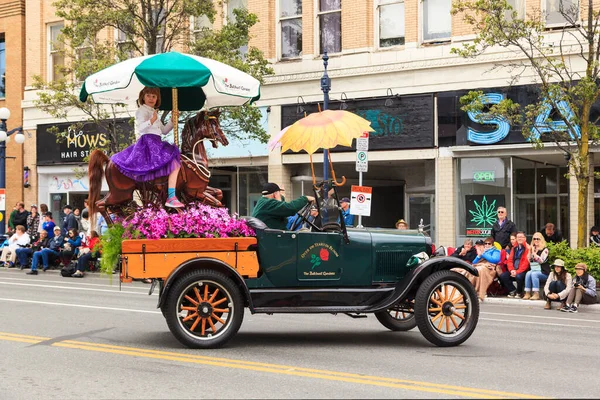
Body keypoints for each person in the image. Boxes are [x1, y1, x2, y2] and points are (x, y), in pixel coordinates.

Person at [110, 86, 184, 208]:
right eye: (148, 95)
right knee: (173, 161)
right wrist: (152, 120)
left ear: (157, 99)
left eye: (154, 96)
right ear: (143, 97)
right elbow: (140, 128)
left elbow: (164, 131)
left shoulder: (154, 112)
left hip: (157, 142)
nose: (151, 98)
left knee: (175, 162)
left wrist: (172, 120)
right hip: (148, 143)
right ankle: (171, 196)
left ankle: (170, 195)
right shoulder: (141, 111)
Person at [457, 238, 501, 302]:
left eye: (489, 243)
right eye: (485, 243)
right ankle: (468, 289)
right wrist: (478, 256)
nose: (487, 245)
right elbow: (474, 262)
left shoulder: (495, 251)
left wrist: (483, 254)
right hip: (480, 265)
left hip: (489, 267)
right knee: (471, 270)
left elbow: (494, 260)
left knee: (480, 270)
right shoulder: (482, 251)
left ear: (492, 244)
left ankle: (480, 292)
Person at [499, 231, 530, 298]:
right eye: (518, 237)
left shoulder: (527, 248)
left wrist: (517, 272)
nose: (519, 239)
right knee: (503, 276)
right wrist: (512, 270)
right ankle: (512, 290)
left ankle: (519, 292)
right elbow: (509, 261)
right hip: (514, 270)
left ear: (525, 238)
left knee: (519, 276)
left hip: (523, 271)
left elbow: (526, 263)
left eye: (521, 237)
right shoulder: (514, 248)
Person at [522, 232, 550, 300]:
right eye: (534, 239)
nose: (536, 240)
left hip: (543, 272)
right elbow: (529, 261)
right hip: (534, 270)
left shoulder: (545, 250)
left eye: (538, 239)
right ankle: (527, 292)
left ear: (541, 240)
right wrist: (530, 252)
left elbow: (541, 261)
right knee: (528, 273)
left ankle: (536, 293)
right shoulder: (532, 249)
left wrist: (534, 253)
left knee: (534, 274)